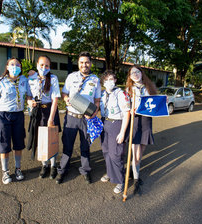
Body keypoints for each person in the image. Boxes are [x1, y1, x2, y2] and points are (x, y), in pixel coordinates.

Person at [56, 52, 101, 184]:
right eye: (81, 62)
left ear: (90, 63)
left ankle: (85, 170)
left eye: (86, 62)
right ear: (78, 63)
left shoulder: (95, 80)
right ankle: (62, 170)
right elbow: (64, 93)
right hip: (71, 117)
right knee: (67, 144)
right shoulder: (71, 77)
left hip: (86, 118)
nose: (84, 65)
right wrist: (66, 99)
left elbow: (97, 100)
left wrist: (94, 112)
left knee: (85, 145)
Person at [0, 57, 30, 184]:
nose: (15, 66)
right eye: (12, 64)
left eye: (18, 65)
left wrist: (30, 101)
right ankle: (5, 172)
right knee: (4, 144)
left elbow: (28, 95)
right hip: (3, 116)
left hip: (18, 115)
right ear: (7, 67)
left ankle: (18, 169)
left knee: (18, 143)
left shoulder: (24, 80)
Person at [27, 55, 61, 179]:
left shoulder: (53, 78)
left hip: (49, 111)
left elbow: (55, 99)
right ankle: (44, 165)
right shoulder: (31, 78)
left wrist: (51, 118)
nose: (44, 67)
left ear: (49, 67)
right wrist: (29, 102)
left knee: (51, 138)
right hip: (37, 112)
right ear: (37, 65)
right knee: (40, 139)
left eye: (46, 65)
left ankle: (53, 165)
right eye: (41, 65)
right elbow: (29, 96)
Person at [125, 65, 157, 195]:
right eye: (133, 73)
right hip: (135, 122)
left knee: (141, 153)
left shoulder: (149, 86)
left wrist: (163, 101)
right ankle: (136, 179)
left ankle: (135, 172)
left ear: (141, 73)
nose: (135, 74)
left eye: (137, 71)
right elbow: (126, 105)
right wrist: (130, 109)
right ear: (130, 76)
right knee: (136, 155)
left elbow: (156, 103)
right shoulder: (129, 89)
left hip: (146, 122)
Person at [100, 70, 130, 194]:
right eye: (106, 80)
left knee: (115, 154)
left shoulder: (121, 93)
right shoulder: (102, 93)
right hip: (104, 123)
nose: (109, 82)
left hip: (116, 124)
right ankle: (110, 173)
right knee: (106, 151)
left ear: (115, 80)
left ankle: (120, 180)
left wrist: (122, 132)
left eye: (111, 79)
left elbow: (126, 113)